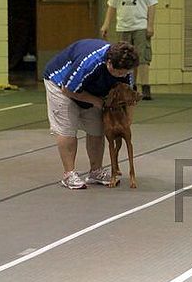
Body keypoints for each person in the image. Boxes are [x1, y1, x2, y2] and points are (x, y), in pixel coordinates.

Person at [43, 39, 139, 189]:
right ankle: (69, 174)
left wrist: (127, 121)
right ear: (108, 62)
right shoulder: (90, 62)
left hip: (93, 89)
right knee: (67, 127)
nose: (121, 75)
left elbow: (131, 97)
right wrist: (97, 102)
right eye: (118, 71)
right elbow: (67, 89)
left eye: (124, 72)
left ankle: (95, 171)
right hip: (60, 83)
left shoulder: (127, 69)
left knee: (96, 128)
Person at [100, 0, 158, 101]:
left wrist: (150, 25)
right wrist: (106, 23)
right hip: (123, 26)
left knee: (142, 57)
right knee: (124, 58)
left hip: (140, 25)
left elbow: (152, 4)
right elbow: (111, 5)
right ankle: (129, 86)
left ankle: (145, 87)